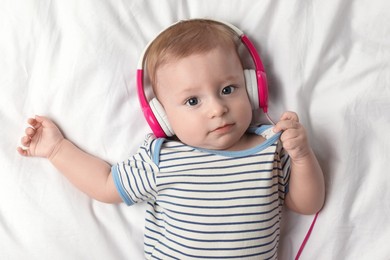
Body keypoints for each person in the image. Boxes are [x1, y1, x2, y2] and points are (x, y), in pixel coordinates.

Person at [17, 19, 325, 259]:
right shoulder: (161, 157)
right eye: (193, 101)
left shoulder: (270, 148)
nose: (217, 109)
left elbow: (306, 203)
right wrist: (57, 149)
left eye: (228, 89)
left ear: (253, 89)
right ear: (162, 117)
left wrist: (301, 157)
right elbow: (105, 184)